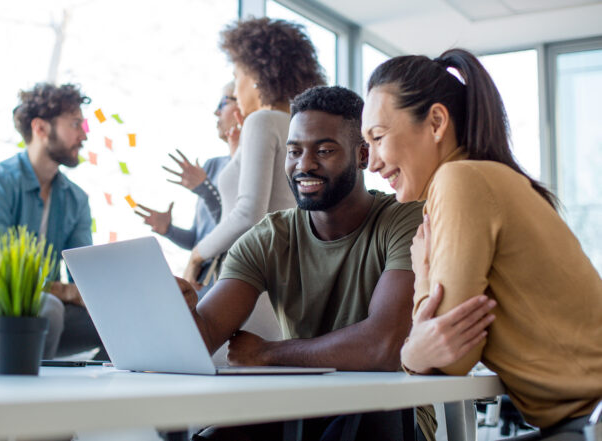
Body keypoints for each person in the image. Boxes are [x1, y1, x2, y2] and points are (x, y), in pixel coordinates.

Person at [361, 49, 602, 440]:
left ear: (436, 121)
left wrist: (421, 274)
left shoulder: (459, 180)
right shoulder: (489, 178)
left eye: (378, 137)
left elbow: (450, 356)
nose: (370, 162)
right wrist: (417, 349)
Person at [178, 86, 434, 441]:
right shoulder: (269, 237)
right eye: (294, 151)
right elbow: (204, 335)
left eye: (324, 150)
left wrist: (268, 353)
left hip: (390, 410)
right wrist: (181, 310)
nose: (305, 164)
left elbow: (383, 347)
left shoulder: (403, 221)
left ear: (362, 155)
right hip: (304, 408)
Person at [0, 83, 106, 360]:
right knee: (47, 308)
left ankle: (91, 396)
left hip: (48, 315)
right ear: (40, 128)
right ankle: (33, 394)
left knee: (124, 317)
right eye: (76, 124)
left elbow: (85, 281)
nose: (83, 135)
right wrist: (66, 291)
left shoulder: (76, 199)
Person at [182, 17, 326, 289]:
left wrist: (196, 255)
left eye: (237, 77)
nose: (236, 89)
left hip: (249, 276)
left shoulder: (262, 121)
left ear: (257, 75)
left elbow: (249, 212)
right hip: (281, 273)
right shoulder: (298, 126)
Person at [136, 82, 241, 296]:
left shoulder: (248, 168)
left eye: (224, 102)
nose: (216, 112)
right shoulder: (212, 165)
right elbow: (198, 239)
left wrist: (204, 189)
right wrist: (169, 230)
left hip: (225, 280)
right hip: (200, 279)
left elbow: (237, 224)